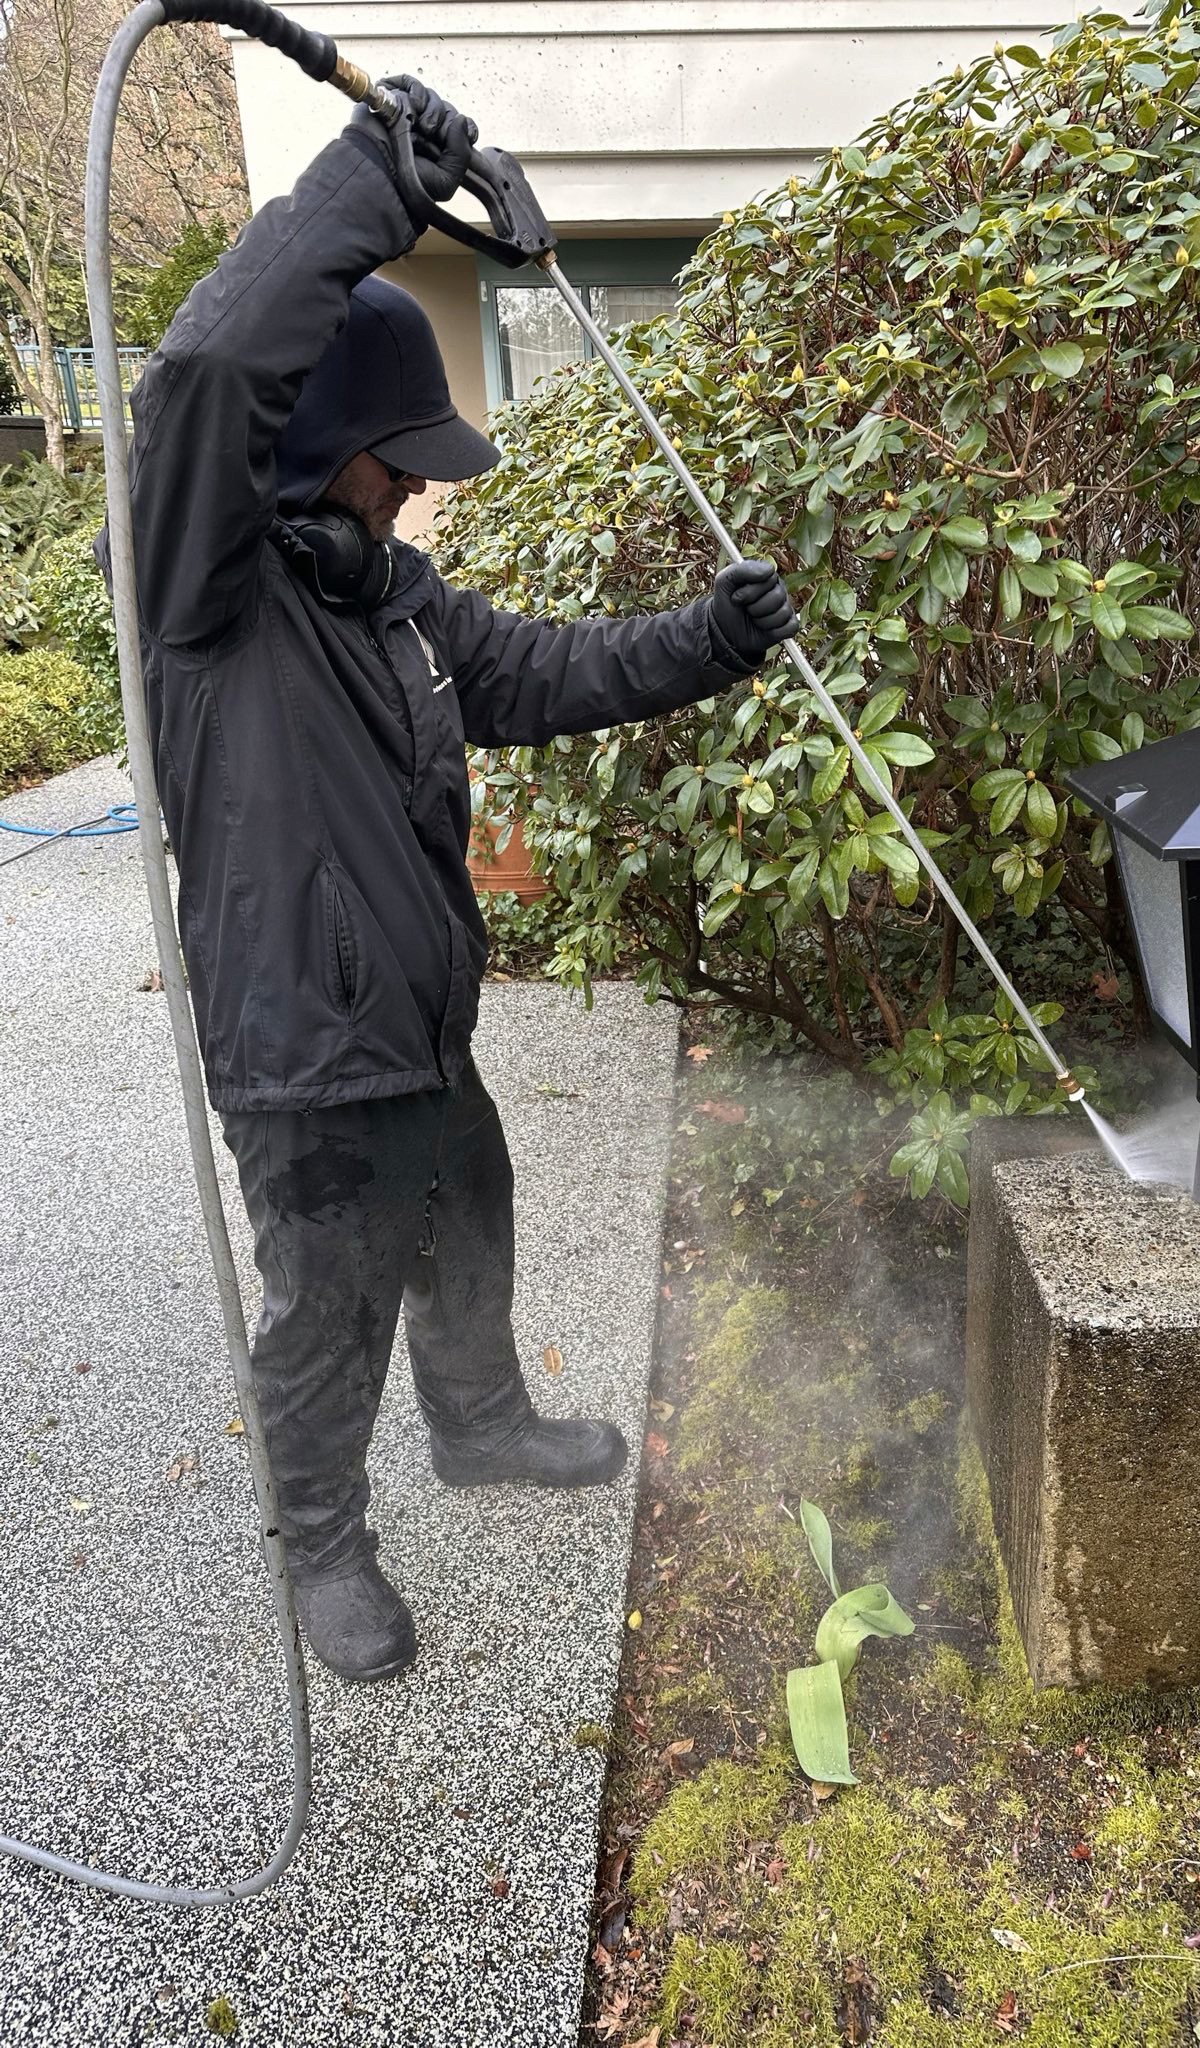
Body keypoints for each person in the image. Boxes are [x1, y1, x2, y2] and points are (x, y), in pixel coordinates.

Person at [120, 76, 797, 1682]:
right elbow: (213, 366)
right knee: (329, 1301)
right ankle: (323, 1547)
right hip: (300, 1051)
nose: (412, 486)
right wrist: (379, 179)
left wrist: (710, 641)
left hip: (418, 1024)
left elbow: (553, 669)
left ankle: (482, 1424)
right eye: (390, 459)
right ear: (303, 456)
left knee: (470, 1211)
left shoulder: (397, 602)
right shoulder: (203, 597)